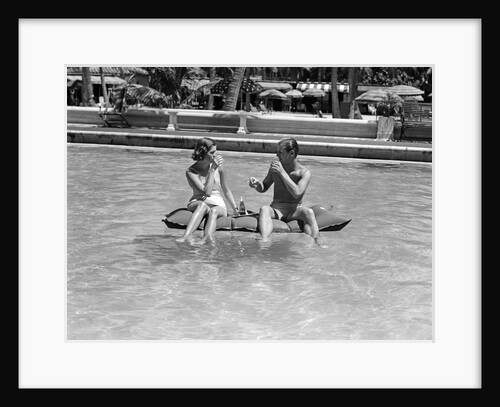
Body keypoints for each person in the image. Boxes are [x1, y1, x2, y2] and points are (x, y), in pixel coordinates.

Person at [248, 137, 325, 247]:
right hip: (276, 209)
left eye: (280, 152)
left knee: (309, 212)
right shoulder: (275, 168)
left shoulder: (304, 173)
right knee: (264, 209)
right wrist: (256, 184)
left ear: (292, 153)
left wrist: (282, 172)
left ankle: (318, 242)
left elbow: (297, 193)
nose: (277, 155)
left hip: (293, 210)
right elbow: (264, 187)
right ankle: (264, 241)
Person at [176, 137, 238, 243]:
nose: (215, 155)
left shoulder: (220, 167)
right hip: (198, 202)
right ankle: (186, 236)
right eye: (212, 152)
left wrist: (236, 209)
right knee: (203, 205)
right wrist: (212, 170)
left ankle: (207, 238)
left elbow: (226, 190)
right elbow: (207, 193)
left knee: (213, 211)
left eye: (216, 152)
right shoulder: (191, 171)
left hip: (218, 204)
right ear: (202, 153)